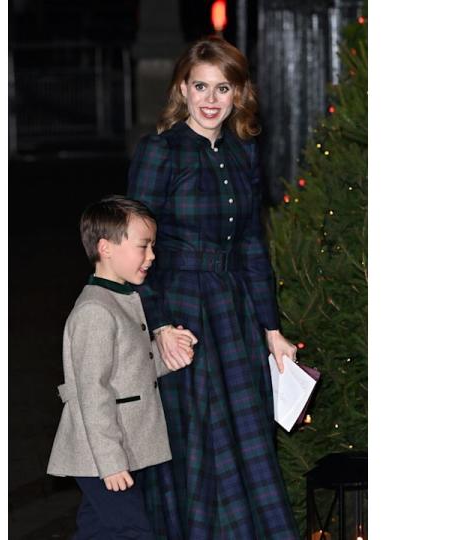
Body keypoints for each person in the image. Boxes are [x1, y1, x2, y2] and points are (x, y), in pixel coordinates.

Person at [127, 37, 300, 539]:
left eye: (222, 87)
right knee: (198, 442)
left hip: (234, 312)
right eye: (200, 85)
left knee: (247, 439)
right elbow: (136, 247)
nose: (210, 99)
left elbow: (251, 244)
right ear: (183, 87)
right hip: (181, 310)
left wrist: (271, 328)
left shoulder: (244, 152)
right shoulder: (160, 151)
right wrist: (157, 324)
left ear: (238, 94)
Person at [47, 195, 199, 539]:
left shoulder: (123, 298)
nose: (152, 256)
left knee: (97, 529)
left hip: (120, 448)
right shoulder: (95, 312)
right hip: (99, 454)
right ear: (107, 248)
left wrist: (169, 356)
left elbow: (130, 368)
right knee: (134, 531)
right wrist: (111, 462)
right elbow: (92, 392)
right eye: (143, 246)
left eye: (153, 246)